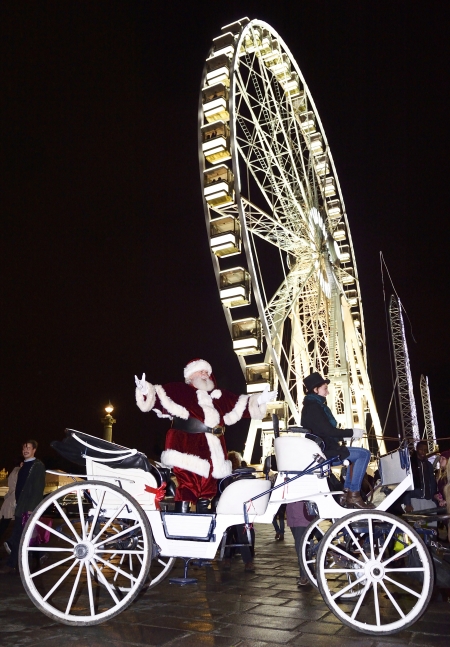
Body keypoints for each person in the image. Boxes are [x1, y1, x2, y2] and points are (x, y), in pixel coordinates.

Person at [135, 358, 276, 512]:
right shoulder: (179, 391)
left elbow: (240, 404)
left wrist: (260, 399)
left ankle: (203, 527)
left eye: (207, 371)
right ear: (190, 376)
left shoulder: (219, 397)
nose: (205, 374)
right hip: (187, 449)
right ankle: (180, 524)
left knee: (208, 490)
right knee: (189, 486)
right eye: (200, 370)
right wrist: (145, 390)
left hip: (214, 452)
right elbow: (158, 398)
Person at [300, 372, 374, 509]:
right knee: (364, 454)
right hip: (325, 452)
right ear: (316, 389)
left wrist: (346, 435)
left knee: (357, 456)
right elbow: (327, 431)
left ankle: (345, 494)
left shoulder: (311, 406)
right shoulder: (314, 407)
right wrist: (351, 432)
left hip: (323, 449)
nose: (327, 392)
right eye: (325, 389)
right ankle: (353, 494)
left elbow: (324, 432)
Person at [0, 441, 45, 574]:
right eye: (24, 447)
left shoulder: (37, 466)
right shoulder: (24, 465)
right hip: (20, 505)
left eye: (28, 448)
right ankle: (37, 556)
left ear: (34, 450)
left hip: (27, 505)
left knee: (18, 535)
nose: (25, 450)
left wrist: (32, 507)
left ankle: (11, 564)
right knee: (21, 534)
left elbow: (38, 488)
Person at [222, 451, 256, 572]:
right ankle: (248, 560)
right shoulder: (242, 475)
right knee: (244, 534)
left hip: (229, 508)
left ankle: (227, 558)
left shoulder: (227, 476)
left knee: (228, 534)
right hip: (240, 509)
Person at [403, 441, 437, 513]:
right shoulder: (410, 464)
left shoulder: (429, 465)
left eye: (425, 450)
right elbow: (405, 484)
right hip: (415, 500)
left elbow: (432, 482)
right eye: (421, 449)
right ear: (417, 449)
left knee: (430, 523)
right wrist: (407, 503)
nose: (423, 452)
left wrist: (434, 499)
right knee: (416, 523)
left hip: (428, 500)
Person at [286, 501, 314, 586]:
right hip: (292, 513)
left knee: (300, 546)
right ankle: (310, 571)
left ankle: (304, 576)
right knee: (303, 546)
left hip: (303, 514)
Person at [0, 462, 22, 546]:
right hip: (14, 501)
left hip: (10, 500)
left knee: (4, 524)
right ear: (21, 463)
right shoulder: (19, 472)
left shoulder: (13, 472)